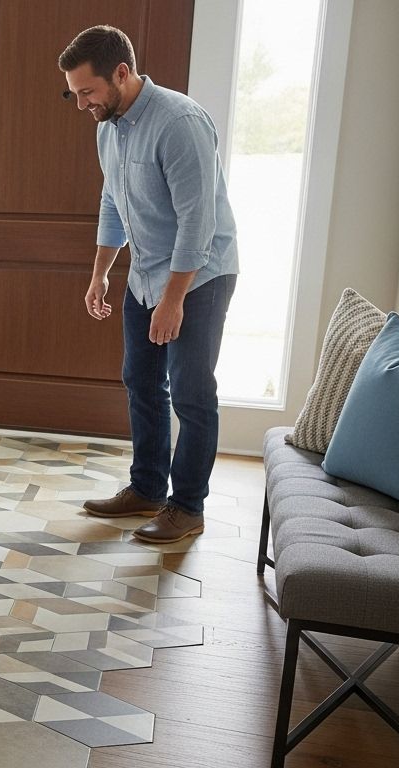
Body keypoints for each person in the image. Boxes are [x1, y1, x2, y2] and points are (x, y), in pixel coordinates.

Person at [58, 25, 238, 544]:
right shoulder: (107, 126)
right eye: (74, 94)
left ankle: (187, 507)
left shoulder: (180, 122)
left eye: (87, 92)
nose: (81, 104)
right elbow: (113, 201)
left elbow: (197, 223)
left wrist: (173, 301)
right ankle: (147, 488)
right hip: (144, 273)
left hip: (199, 276)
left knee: (191, 392)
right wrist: (100, 272)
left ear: (122, 73)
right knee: (141, 381)